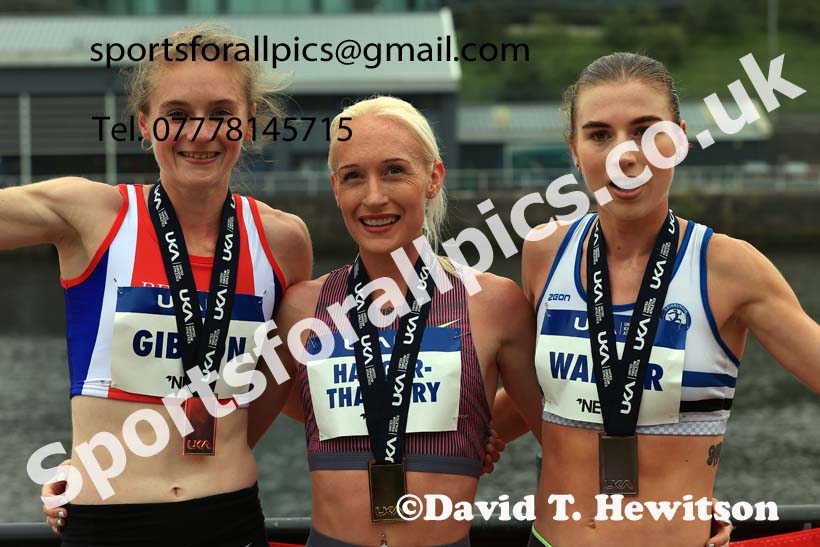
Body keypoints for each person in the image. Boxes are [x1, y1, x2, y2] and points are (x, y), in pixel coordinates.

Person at [494, 51, 820, 547]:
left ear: (678, 140)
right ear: (575, 151)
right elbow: (544, 395)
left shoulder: (731, 269)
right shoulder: (544, 251)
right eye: (600, 134)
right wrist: (453, 442)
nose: (626, 154)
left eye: (647, 130)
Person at [13, 24, 311, 546]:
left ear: (249, 123)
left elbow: (273, 383)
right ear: (145, 123)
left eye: (221, 114)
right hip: (109, 525)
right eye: (177, 115)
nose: (200, 133)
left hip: (230, 517)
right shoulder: (92, 215)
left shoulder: (284, 240)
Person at [244, 95, 545, 547]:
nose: (374, 196)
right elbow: (263, 418)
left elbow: (558, 424)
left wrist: (478, 424)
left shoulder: (494, 302)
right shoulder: (301, 309)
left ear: (433, 178)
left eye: (394, 170)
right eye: (353, 177)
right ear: (335, 189)